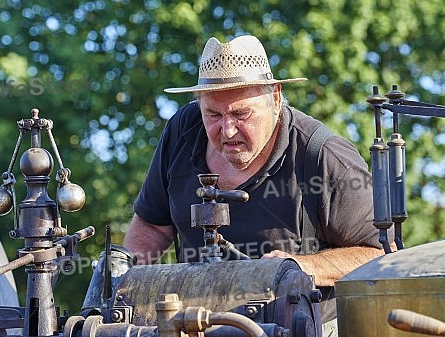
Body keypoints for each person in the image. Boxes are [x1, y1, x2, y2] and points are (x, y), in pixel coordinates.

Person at [123, 34, 384, 333]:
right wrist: (125, 292)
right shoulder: (182, 131)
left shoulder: (323, 156)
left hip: (297, 328)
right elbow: (153, 226)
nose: (227, 128)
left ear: (275, 97)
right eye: (213, 114)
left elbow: (383, 254)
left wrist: (303, 266)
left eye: (241, 113)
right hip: (194, 324)